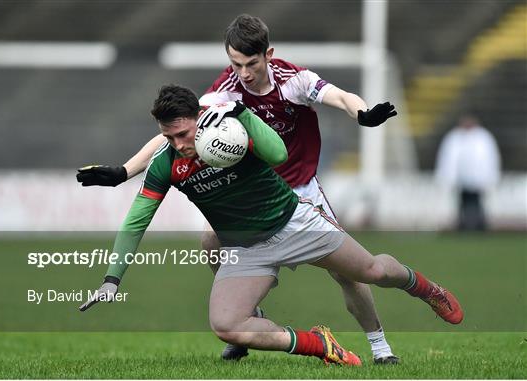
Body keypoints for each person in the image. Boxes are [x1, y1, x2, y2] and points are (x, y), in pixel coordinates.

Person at [77, 14, 400, 364]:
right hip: (252, 191)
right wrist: (125, 170)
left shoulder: (294, 80)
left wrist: (362, 113)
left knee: (347, 273)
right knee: (210, 242)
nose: (243, 73)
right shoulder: (224, 91)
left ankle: (381, 349)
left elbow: (339, 96)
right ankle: (250, 321)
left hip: (299, 189)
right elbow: (175, 132)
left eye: (250, 63)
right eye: (235, 63)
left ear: (268, 54)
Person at [79, 85, 463, 367]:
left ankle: (426, 288)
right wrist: (112, 279)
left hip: (295, 223)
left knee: (373, 271)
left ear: (199, 117)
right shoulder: (166, 164)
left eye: (183, 133)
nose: (179, 144)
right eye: (169, 137)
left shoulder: (230, 131)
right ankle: (319, 344)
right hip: (248, 249)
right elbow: (136, 221)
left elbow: (278, 153)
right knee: (226, 326)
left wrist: (241, 114)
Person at [435, 114, 501, 231]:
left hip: (478, 179)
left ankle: (479, 225)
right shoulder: (454, 137)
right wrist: (447, 177)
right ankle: (463, 224)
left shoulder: (483, 137)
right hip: (461, 179)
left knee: (477, 202)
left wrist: (490, 177)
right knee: (462, 202)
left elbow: (490, 158)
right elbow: (448, 159)